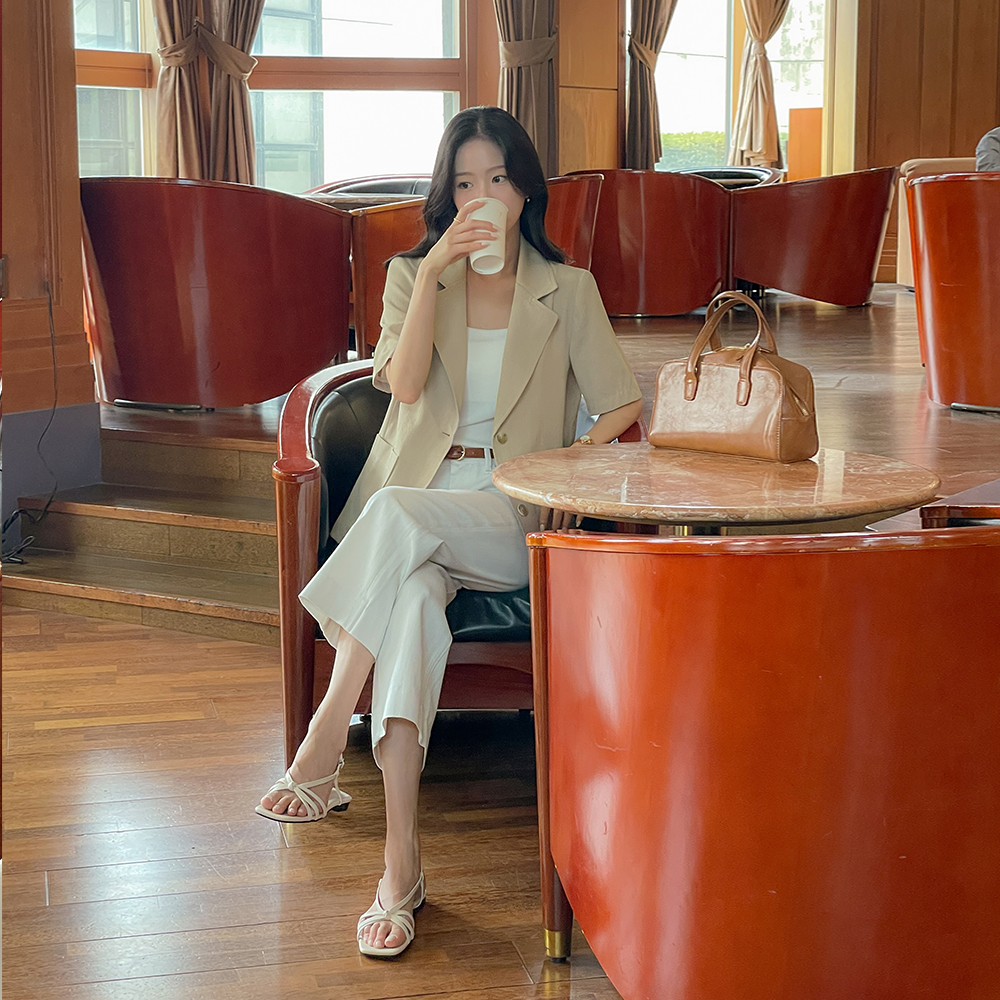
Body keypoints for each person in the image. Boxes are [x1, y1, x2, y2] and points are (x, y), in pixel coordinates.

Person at [255, 106, 643, 958]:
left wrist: (570, 468)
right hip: (425, 503)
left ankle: (325, 734)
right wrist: (433, 272)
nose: (481, 198)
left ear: (525, 189)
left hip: (509, 512)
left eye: (497, 179)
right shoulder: (412, 275)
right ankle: (401, 869)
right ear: (447, 195)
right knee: (413, 608)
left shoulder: (567, 288)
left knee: (397, 517)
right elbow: (398, 385)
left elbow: (621, 403)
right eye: (464, 183)